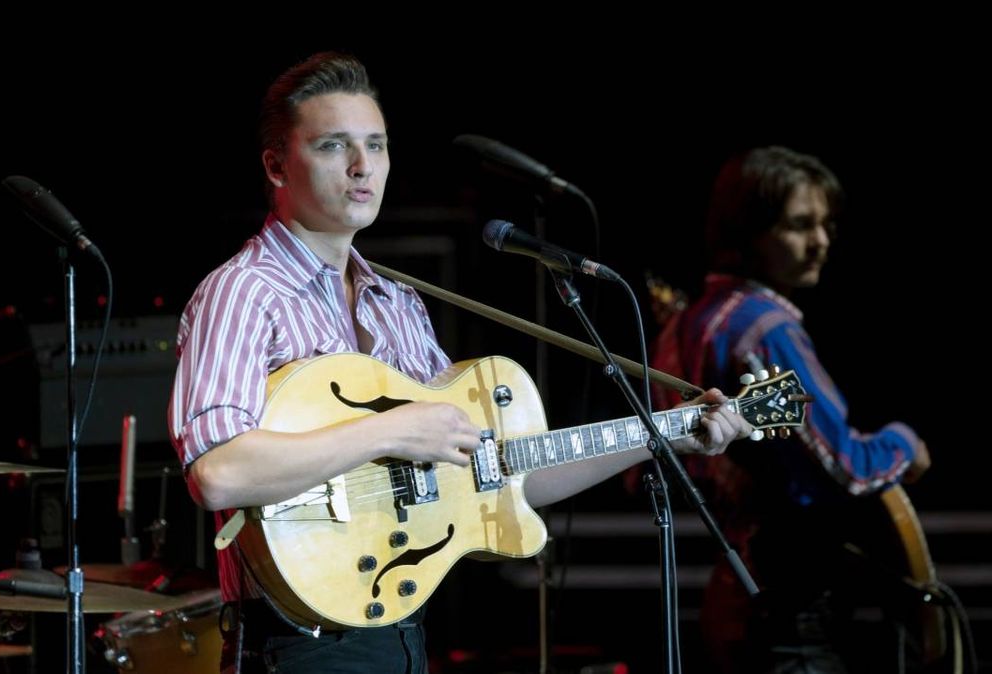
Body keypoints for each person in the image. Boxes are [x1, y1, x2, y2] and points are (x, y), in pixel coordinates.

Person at [168, 52, 752, 673]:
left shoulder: (398, 305)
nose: (363, 167)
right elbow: (218, 473)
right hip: (292, 647)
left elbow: (501, 471)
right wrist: (390, 430)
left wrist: (667, 433)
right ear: (276, 165)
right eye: (334, 147)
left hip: (400, 631)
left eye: (377, 145)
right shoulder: (242, 292)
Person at [650, 146, 932, 672]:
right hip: (789, 603)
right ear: (748, 233)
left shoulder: (693, 321)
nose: (821, 242)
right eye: (800, 226)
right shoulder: (765, 328)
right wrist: (905, 442)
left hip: (731, 587)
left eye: (825, 225)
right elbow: (845, 464)